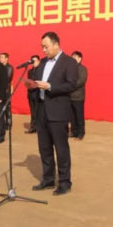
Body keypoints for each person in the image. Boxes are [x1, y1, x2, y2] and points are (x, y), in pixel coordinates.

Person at [31, 32, 78, 196]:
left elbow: (71, 85)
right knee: (44, 148)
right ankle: (48, 179)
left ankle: (65, 182)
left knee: (61, 148)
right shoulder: (43, 62)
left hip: (58, 112)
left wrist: (50, 87)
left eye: (46, 47)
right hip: (42, 110)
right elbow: (38, 81)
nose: (44, 50)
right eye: (42, 47)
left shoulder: (69, 62)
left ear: (56, 44)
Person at [69, 51, 88, 140]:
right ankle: (74, 132)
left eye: (75, 57)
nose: (73, 59)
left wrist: (69, 86)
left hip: (78, 97)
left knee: (79, 116)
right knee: (71, 116)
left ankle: (81, 133)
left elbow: (81, 81)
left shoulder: (82, 69)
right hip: (70, 96)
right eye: (72, 57)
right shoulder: (70, 68)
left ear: (80, 59)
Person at [25, 55, 41, 133]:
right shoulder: (30, 71)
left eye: (35, 61)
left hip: (38, 93)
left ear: (39, 61)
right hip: (31, 93)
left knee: (39, 111)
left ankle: (39, 127)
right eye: (32, 61)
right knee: (33, 111)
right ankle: (33, 127)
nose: (33, 62)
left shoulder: (41, 70)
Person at [0, 52, 13, 122]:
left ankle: (8, 123)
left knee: (7, 107)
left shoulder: (9, 67)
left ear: (6, 59)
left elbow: (8, 78)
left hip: (6, 90)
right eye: (0, 57)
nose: (0, 59)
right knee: (0, 107)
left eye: (2, 57)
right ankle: (2, 122)